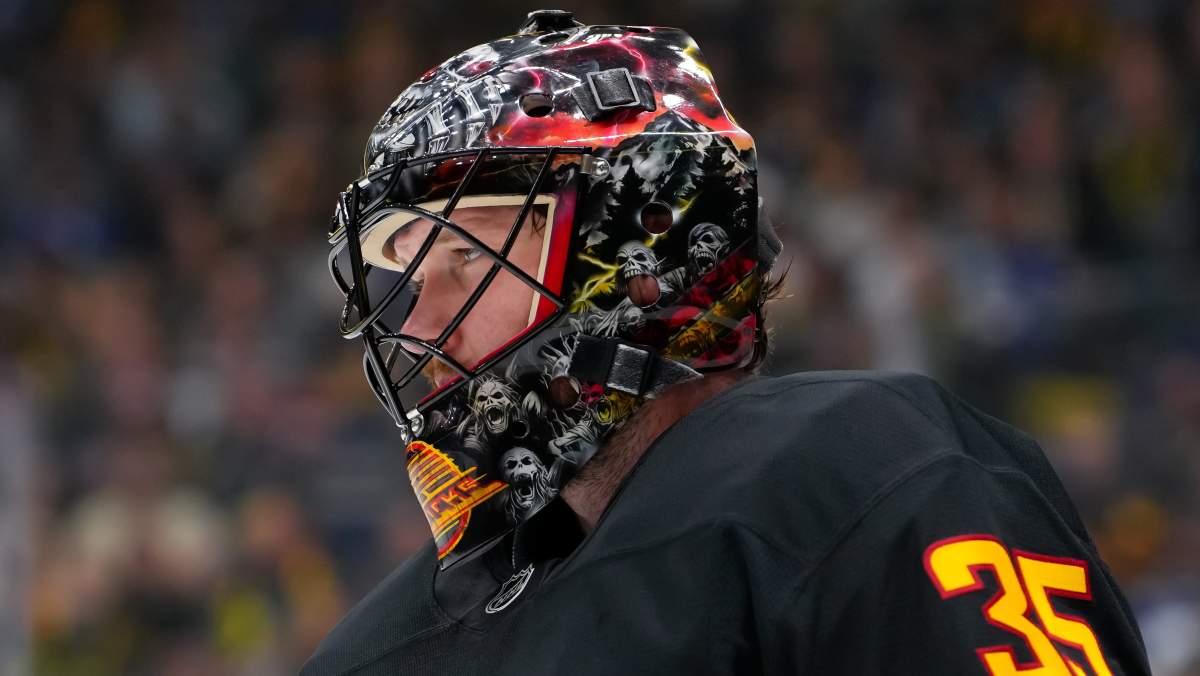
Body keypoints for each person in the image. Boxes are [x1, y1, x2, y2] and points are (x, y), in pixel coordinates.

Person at [305, 10, 1151, 675]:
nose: (417, 325)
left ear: (640, 249)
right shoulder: (386, 644)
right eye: (409, 275)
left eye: (463, 256)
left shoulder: (861, 470)